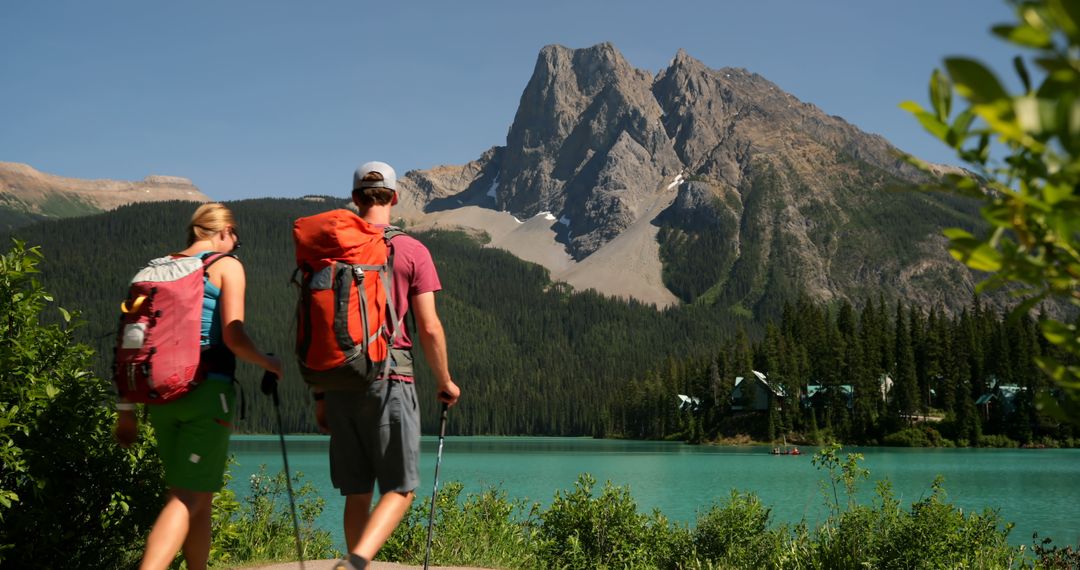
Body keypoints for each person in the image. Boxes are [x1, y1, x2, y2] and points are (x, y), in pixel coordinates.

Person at [114, 203, 282, 570]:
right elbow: (234, 335)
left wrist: (125, 409)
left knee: (198, 496)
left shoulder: (151, 271)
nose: (236, 244)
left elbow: (130, 341)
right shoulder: (226, 266)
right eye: (235, 236)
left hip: (158, 397)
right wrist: (269, 363)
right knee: (186, 497)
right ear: (221, 232)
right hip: (206, 393)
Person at [312, 161, 461, 570]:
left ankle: (354, 561)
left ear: (356, 197)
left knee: (356, 492)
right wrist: (445, 381)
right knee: (400, 489)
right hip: (390, 378)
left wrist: (321, 395)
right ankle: (356, 561)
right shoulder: (412, 250)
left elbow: (322, 324)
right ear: (394, 197)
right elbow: (429, 327)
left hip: (339, 380)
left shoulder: (333, 250)